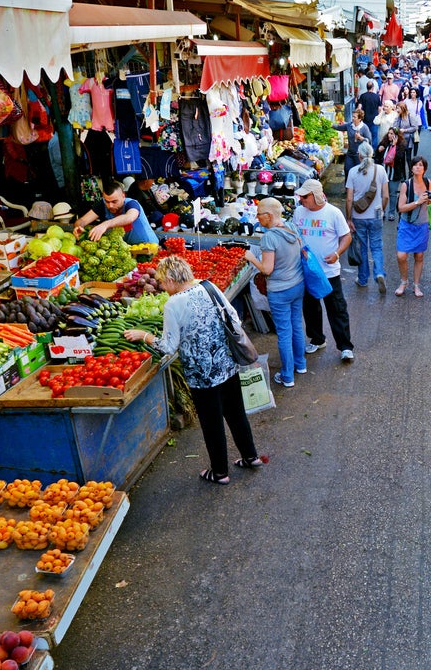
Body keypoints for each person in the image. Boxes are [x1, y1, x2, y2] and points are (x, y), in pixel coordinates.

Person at [123, 256, 260, 485]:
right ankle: (251, 456)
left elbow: (167, 347)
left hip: (201, 375)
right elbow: (233, 318)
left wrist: (144, 335)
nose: (162, 288)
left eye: (162, 283)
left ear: (170, 279)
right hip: (227, 364)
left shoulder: (173, 304)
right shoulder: (209, 286)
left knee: (212, 422)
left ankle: (220, 473)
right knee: (236, 414)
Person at [291, 179, 355, 362]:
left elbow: (346, 237)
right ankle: (317, 339)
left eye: (305, 196)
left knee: (336, 308)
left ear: (316, 195)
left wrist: (337, 253)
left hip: (329, 271)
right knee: (310, 307)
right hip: (307, 270)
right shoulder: (299, 212)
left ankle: (345, 346)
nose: (301, 199)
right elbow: (295, 236)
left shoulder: (333, 213)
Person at [246, 199, 305, 388]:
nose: (257, 217)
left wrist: (251, 258)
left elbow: (267, 269)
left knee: (284, 332)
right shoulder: (291, 228)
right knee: (296, 325)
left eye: (259, 214)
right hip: (298, 285)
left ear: (269, 216)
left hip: (280, 291)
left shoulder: (269, 238)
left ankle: (287, 376)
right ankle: (300, 364)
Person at [345, 142, 388, 292]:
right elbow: (386, 196)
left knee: (362, 247)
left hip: (359, 215)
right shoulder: (380, 170)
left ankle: (363, 279)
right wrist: (381, 210)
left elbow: (349, 199)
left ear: (360, 155)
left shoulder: (352, 172)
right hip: (376, 214)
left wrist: (349, 218)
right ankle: (380, 273)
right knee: (376, 246)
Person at [394, 156, 431, 298]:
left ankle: (416, 285)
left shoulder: (428, 182)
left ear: (424, 169)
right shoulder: (406, 185)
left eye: (421, 165)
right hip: (407, 224)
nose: (418, 167)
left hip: (422, 224)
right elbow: (401, 208)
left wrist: (430, 200)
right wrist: (418, 202)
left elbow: (429, 203)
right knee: (401, 256)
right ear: (411, 168)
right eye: (415, 165)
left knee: (419, 255)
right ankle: (403, 282)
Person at [73, 179, 159, 245]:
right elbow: (82, 221)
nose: (110, 205)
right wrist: (79, 227)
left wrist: (105, 224)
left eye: (114, 202)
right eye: (107, 201)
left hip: (149, 246)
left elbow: (129, 217)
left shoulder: (132, 203)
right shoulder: (102, 204)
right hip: (129, 250)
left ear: (123, 196)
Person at [381, 127, 410, 222]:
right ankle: (382, 211)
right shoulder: (384, 143)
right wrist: (379, 150)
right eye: (389, 133)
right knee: (383, 194)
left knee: (392, 194)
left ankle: (391, 213)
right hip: (383, 173)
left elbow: (399, 158)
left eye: (392, 134)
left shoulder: (400, 146)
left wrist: (394, 146)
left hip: (394, 174)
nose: (390, 135)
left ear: (397, 136)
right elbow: (378, 156)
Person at [333, 108, 371, 177]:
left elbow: (369, 140)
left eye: (354, 117)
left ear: (360, 119)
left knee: (358, 173)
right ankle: (348, 187)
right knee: (347, 170)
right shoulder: (349, 125)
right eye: (352, 116)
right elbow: (338, 127)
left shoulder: (364, 128)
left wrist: (360, 138)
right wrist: (331, 125)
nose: (352, 118)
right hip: (350, 153)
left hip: (359, 155)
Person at [358, 80, 382, 148]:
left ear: (367, 87)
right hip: (374, 120)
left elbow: (359, 108)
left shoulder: (362, 96)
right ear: (373, 87)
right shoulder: (376, 96)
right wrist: (379, 117)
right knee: (374, 137)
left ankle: (365, 149)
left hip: (365, 120)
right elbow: (379, 108)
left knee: (365, 136)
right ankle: (373, 151)